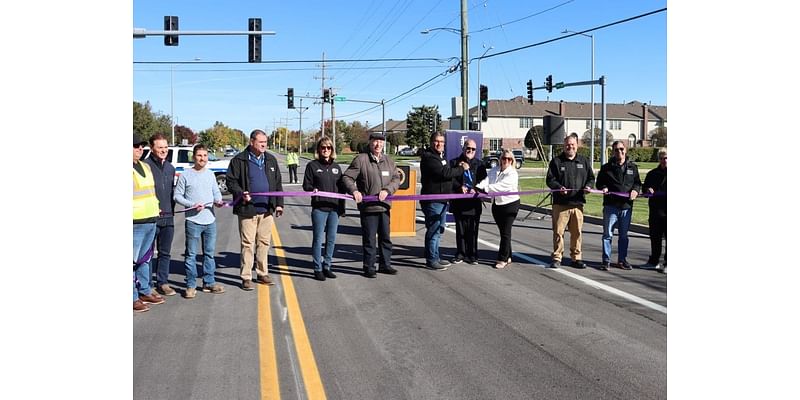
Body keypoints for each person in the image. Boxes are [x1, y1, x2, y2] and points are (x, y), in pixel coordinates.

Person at [226, 130, 284, 290]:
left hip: (266, 209)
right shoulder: (239, 160)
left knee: (264, 243)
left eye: (265, 142)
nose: (264, 144)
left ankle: (262, 273)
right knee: (247, 244)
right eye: (261, 142)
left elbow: (278, 184)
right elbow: (230, 182)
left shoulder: (270, 160)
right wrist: (240, 193)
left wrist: (279, 204)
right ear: (252, 142)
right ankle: (246, 276)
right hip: (247, 209)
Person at [342, 132, 401, 278]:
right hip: (368, 208)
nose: (378, 145)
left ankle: (385, 265)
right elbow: (347, 177)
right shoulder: (361, 160)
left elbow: (396, 178)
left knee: (385, 238)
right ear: (370, 143)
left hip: (385, 206)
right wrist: (354, 190)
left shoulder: (389, 161)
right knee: (369, 239)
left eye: (381, 142)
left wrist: (388, 190)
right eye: (375, 142)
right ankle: (369, 266)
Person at [174, 144, 226, 298]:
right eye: (199, 155)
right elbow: (177, 196)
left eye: (205, 155)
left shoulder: (210, 174)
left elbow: (216, 192)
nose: (202, 158)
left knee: (209, 254)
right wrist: (191, 204)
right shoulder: (185, 175)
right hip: (193, 221)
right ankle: (190, 285)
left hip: (210, 220)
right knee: (191, 255)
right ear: (194, 157)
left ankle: (209, 282)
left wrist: (218, 200)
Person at [420, 132, 470, 270]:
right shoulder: (429, 157)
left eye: (442, 142)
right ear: (431, 142)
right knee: (433, 230)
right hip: (433, 200)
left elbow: (447, 178)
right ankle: (431, 260)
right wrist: (461, 168)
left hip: (442, 200)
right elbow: (445, 173)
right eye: (436, 141)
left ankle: (435, 256)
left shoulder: (440, 157)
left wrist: (459, 187)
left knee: (439, 230)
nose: (439, 144)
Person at [545, 135, 596, 269]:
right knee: (558, 232)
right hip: (560, 204)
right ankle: (557, 257)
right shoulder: (556, 161)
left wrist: (589, 187)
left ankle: (576, 258)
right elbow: (550, 180)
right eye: (567, 145)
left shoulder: (583, 161)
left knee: (577, 233)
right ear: (564, 146)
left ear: (577, 145)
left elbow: (591, 178)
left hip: (578, 204)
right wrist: (558, 187)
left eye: (572, 144)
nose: (570, 147)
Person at [302, 137, 345, 281]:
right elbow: (306, 185)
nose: (326, 150)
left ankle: (327, 265)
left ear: (332, 150)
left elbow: (342, 190)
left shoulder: (336, 167)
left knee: (331, 239)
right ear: (319, 149)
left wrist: (342, 209)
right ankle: (317, 268)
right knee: (318, 239)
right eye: (323, 147)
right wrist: (312, 189)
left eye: (329, 148)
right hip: (319, 208)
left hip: (334, 209)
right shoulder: (312, 166)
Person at [595, 140, 642, 271]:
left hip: (626, 206)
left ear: (625, 150)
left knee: (623, 235)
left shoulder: (633, 167)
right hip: (611, 205)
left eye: (621, 149)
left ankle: (622, 260)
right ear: (613, 151)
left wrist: (635, 190)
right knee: (607, 235)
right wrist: (603, 187)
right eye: (616, 150)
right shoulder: (606, 168)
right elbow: (599, 183)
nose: (619, 152)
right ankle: (606, 260)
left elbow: (638, 183)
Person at [133, 133, 166, 313]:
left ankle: (144, 290)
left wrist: (156, 208)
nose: (139, 149)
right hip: (134, 222)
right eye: (135, 146)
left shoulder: (145, 167)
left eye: (141, 146)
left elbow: (149, 192)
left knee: (144, 260)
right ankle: (132, 297)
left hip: (150, 219)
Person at [144, 133, 177, 296]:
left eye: (166, 147)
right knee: (147, 254)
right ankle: (147, 285)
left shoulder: (170, 167)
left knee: (165, 252)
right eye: (160, 147)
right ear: (152, 148)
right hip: (151, 218)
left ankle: (162, 282)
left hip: (168, 217)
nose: (164, 150)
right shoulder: (145, 167)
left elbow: (172, 192)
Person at [475, 149, 520, 269]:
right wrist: (478, 187)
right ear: (500, 159)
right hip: (497, 204)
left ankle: (502, 258)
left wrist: (486, 190)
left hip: (510, 205)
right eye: (503, 158)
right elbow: (486, 180)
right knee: (504, 233)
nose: (505, 161)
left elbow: (502, 187)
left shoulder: (512, 174)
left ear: (512, 161)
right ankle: (508, 255)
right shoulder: (494, 170)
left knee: (505, 232)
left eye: (508, 159)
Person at [448, 138, 487, 265]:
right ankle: (460, 253)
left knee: (473, 230)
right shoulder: (454, 162)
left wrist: (475, 190)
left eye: (473, 149)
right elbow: (450, 180)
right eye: (468, 148)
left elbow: (484, 182)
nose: (470, 151)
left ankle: (473, 254)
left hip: (474, 203)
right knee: (460, 230)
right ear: (463, 148)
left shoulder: (480, 164)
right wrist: (460, 187)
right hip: (459, 202)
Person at [641, 147, 667, 273]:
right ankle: (654, 261)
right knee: (655, 237)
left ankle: (667, 264)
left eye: (666, 158)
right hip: (656, 211)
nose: (664, 161)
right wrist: (648, 190)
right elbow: (645, 189)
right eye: (662, 158)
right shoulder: (652, 174)